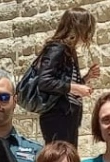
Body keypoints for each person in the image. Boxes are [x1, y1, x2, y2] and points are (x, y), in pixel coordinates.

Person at [35, 8, 98, 144]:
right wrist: (75, 88)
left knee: (69, 157)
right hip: (57, 116)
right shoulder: (57, 48)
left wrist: (87, 77)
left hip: (68, 116)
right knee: (60, 157)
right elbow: (45, 81)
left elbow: (64, 82)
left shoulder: (69, 50)